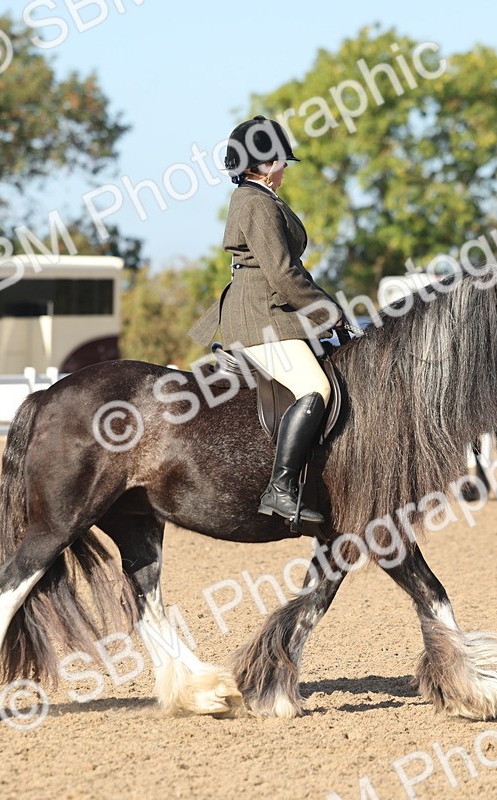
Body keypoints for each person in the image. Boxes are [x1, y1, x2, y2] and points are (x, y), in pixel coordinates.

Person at [189, 115, 346, 524]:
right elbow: (283, 273)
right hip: (262, 315)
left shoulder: (258, 197)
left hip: (270, 310)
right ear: (263, 163)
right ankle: (281, 487)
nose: (285, 167)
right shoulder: (256, 202)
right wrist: (329, 313)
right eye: (281, 160)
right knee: (315, 387)